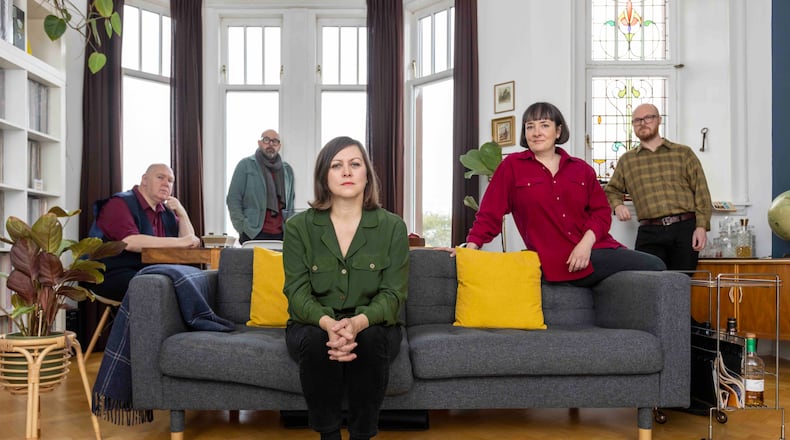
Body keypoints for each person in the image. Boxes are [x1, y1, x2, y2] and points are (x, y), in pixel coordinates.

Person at [282, 136, 408, 440]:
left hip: (373, 326)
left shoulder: (393, 227)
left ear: (367, 174)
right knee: (316, 339)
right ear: (324, 176)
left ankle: (362, 435)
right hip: (313, 325)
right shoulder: (298, 227)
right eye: (337, 165)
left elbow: (393, 295)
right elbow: (297, 293)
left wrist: (357, 324)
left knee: (370, 337)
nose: (347, 172)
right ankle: (329, 435)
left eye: (355, 164)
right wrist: (329, 324)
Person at [464, 102, 665, 286]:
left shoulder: (581, 169)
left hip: (595, 249)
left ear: (558, 131)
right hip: (556, 260)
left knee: (655, 266)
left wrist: (585, 245)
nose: (536, 132)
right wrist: (469, 249)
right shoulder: (512, 166)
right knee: (655, 266)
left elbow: (601, 212)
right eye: (530, 127)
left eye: (544, 125)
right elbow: (490, 213)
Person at [605, 103, 713, 271]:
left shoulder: (683, 153)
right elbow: (611, 190)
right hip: (649, 231)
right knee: (648, 281)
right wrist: (617, 205)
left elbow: (701, 191)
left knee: (681, 280)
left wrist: (701, 227)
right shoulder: (627, 161)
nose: (643, 123)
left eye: (648, 118)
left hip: (684, 229)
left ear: (659, 120)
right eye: (637, 120)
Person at [87, 163, 201, 301]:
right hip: (111, 273)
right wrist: (181, 242)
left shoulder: (166, 212)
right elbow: (130, 242)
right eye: (160, 177)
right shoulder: (119, 203)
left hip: (151, 271)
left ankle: (199, 316)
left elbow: (189, 244)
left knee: (195, 278)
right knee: (160, 286)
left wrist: (182, 214)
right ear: (145, 179)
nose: (166, 183)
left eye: (170, 180)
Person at [227, 129, 295, 243]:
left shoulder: (287, 170)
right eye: (266, 140)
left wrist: (289, 228)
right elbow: (233, 199)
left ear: (279, 146)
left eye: (275, 141)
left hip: (281, 235)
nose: (271, 144)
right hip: (253, 233)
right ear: (259, 143)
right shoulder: (245, 165)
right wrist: (243, 228)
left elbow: (290, 202)